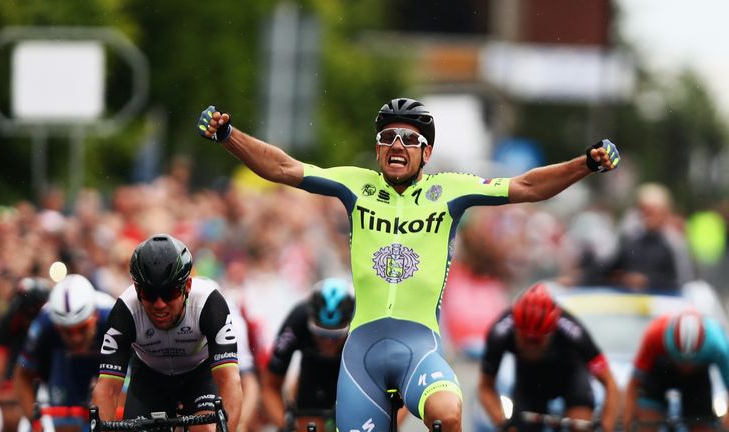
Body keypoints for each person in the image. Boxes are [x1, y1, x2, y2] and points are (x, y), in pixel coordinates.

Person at [197, 97, 620, 432]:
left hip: (420, 348)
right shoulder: (354, 184)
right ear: (378, 148)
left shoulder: (451, 189)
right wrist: (229, 135)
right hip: (361, 353)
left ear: (427, 152)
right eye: (388, 137)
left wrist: (585, 164)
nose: (397, 145)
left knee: (448, 413)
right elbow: (284, 167)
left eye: (409, 139)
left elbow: (528, 186)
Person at [91, 234, 242, 432]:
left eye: (169, 293)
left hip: (199, 376)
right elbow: (107, 388)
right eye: (149, 294)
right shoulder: (125, 312)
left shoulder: (209, 304)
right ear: (137, 289)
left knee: (204, 428)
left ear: (187, 286)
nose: (159, 304)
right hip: (149, 379)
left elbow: (229, 379)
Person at [477, 283, 620, 432]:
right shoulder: (500, 333)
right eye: (525, 339)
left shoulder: (573, 331)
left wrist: (606, 427)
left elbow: (610, 383)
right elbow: (485, 387)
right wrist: (504, 424)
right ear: (516, 330)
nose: (531, 346)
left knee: (580, 424)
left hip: (570, 376)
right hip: (529, 380)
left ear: (551, 332)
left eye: (537, 341)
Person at [13, 274, 115, 432]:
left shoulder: (111, 315)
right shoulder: (44, 323)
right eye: (66, 331)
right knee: (67, 426)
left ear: (94, 316)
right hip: (67, 366)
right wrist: (35, 422)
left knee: (114, 420)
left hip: (111, 366)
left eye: (82, 328)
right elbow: (22, 375)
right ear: (56, 325)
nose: (75, 338)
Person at [262, 278, 354, 432]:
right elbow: (270, 386)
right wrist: (287, 426)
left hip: (351, 375)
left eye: (336, 336)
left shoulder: (363, 328)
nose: (328, 342)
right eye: (321, 334)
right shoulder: (298, 319)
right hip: (312, 378)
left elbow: (397, 392)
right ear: (309, 321)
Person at [623, 310, 729, 431]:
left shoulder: (718, 345)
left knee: (702, 424)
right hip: (661, 372)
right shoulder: (655, 334)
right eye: (681, 360)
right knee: (648, 421)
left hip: (698, 377)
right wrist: (628, 419)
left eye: (690, 362)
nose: (685, 367)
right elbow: (634, 384)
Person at [0, 277, 52, 432]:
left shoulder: (52, 323)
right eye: (29, 314)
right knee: (11, 418)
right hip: (18, 368)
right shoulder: (9, 321)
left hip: (44, 366)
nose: (33, 322)